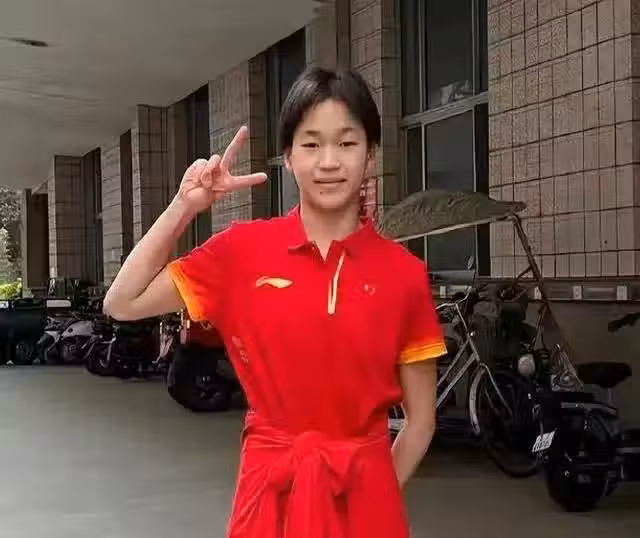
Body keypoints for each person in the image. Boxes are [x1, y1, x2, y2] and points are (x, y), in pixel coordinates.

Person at [104, 66, 446, 538]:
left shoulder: (404, 274)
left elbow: (421, 422)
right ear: (288, 157)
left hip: (366, 504)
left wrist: (372, 494)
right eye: (311, 144)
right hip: (269, 497)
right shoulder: (241, 252)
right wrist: (184, 206)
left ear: (371, 156)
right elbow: (123, 301)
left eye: (347, 143)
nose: (329, 162)